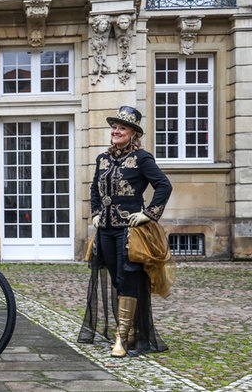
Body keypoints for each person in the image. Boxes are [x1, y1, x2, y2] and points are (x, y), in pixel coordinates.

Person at [78, 105, 173, 357]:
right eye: (114, 127)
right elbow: (94, 190)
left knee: (129, 275)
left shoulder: (142, 159)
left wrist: (148, 213)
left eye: (122, 128)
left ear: (133, 133)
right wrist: (96, 213)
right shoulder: (103, 159)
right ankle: (128, 332)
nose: (116, 131)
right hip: (106, 229)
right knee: (117, 278)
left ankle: (121, 338)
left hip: (130, 231)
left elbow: (163, 185)